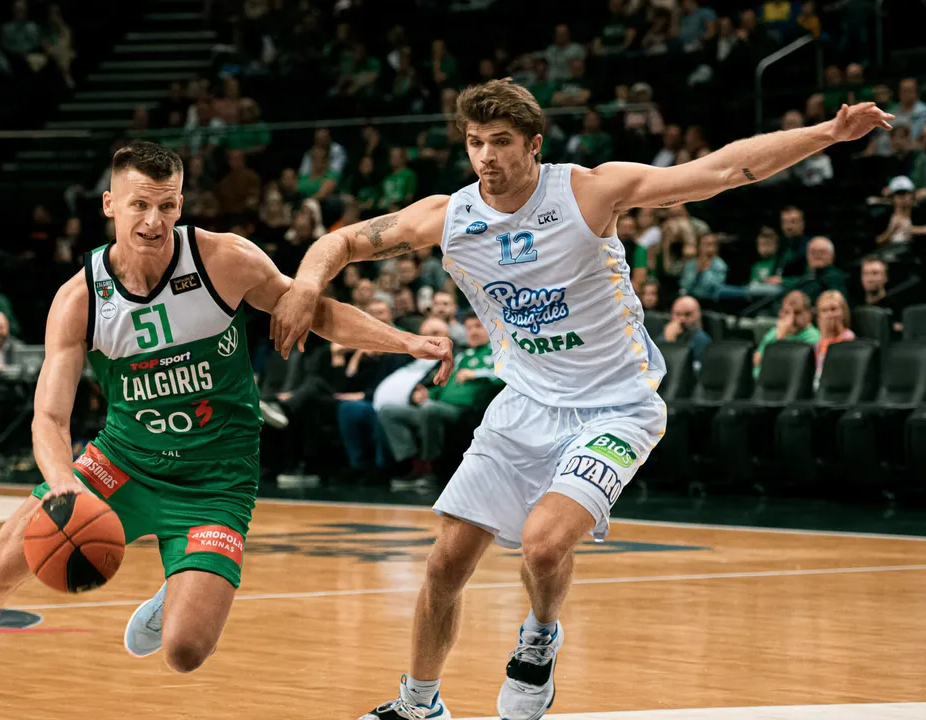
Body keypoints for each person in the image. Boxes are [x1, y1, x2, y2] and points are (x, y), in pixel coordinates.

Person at [268, 79, 891, 720]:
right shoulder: (450, 215)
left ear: (534, 145)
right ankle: (418, 705)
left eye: (501, 142)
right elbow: (341, 241)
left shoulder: (587, 192)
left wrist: (827, 133)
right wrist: (305, 286)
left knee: (542, 545)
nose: (486, 156)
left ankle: (540, 635)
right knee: (444, 564)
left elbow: (721, 171)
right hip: (524, 404)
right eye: (476, 142)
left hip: (617, 406)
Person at [0, 141, 454, 720]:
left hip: (215, 480)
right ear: (110, 204)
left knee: (185, 651)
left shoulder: (225, 260)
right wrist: (63, 486)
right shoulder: (79, 298)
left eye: (167, 206)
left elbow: (316, 311)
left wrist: (408, 342)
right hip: (120, 464)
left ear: (181, 204)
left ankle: (180, 580)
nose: (154, 221)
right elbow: (50, 417)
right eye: (140, 205)